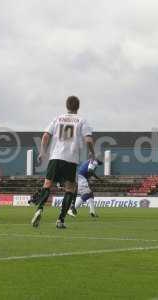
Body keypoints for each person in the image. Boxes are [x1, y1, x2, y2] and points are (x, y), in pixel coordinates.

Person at [29, 96, 96, 229]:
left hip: (55, 156)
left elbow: (45, 136)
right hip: (71, 159)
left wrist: (43, 152)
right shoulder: (82, 120)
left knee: (47, 185)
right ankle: (60, 220)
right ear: (78, 107)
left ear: (67, 106)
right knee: (70, 189)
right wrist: (92, 153)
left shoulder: (57, 118)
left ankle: (40, 209)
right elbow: (88, 140)